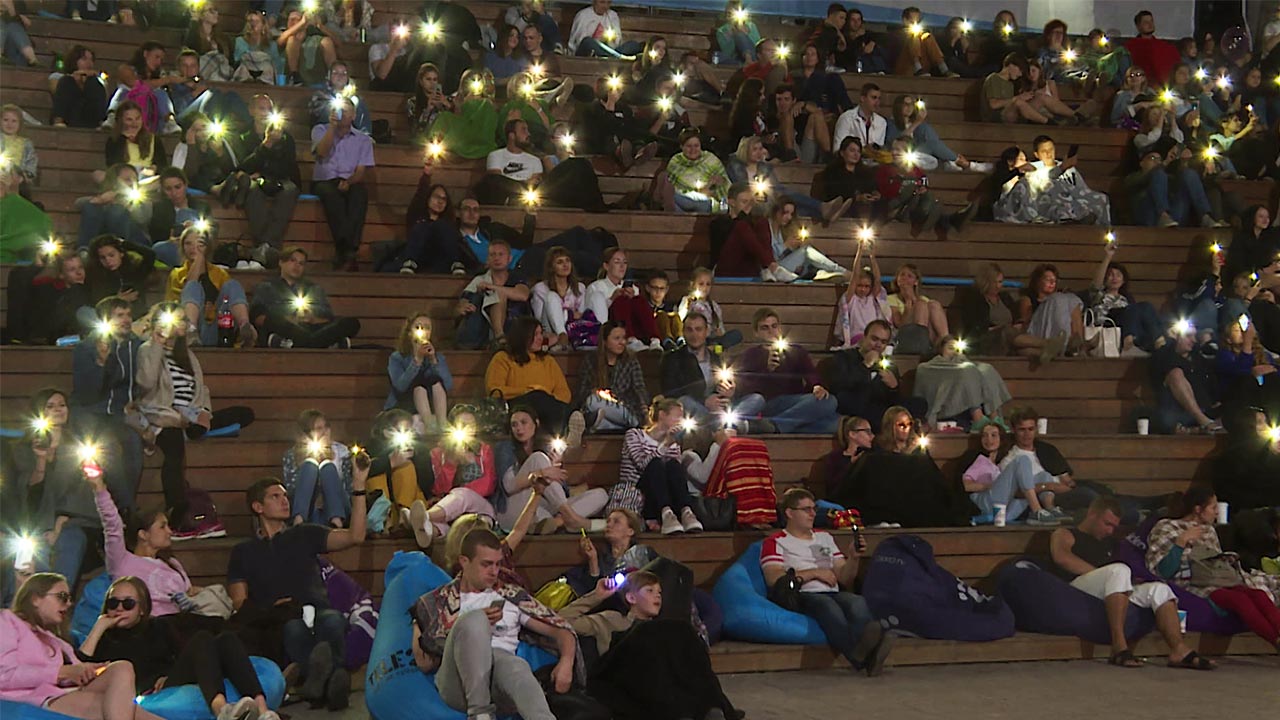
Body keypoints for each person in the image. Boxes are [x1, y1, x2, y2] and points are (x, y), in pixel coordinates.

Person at [227, 472, 369, 711]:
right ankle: (333, 684)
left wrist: (359, 487)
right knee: (293, 630)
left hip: (318, 609)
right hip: (280, 618)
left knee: (333, 621)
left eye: (285, 496)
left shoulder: (304, 533)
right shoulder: (243, 551)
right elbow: (239, 602)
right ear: (257, 506)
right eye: (275, 496)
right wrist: (269, 611)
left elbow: (356, 536)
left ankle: (318, 688)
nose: (285, 501)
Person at [409, 528, 576, 720]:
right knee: (475, 620)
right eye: (486, 564)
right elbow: (423, 663)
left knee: (517, 665)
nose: (494, 572)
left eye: (497, 564)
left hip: (500, 686)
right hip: (457, 685)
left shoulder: (512, 597)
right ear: (464, 562)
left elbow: (561, 630)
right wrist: (473, 624)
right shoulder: (439, 601)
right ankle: (480, 714)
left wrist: (566, 661)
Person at [133, 301, 255, 537]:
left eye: (180, 320)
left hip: (191, 413)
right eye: (171, 320)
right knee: (174, 444)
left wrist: (204, 414)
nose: (176, 325)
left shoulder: (187, 354)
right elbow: (146, 386)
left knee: (244, 413)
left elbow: (202, 390)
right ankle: (178, 514)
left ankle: (197, 428)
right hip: (161, 415)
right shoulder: (147, 349)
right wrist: (158, 343)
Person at [1050, 496, 1215, 669]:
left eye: (1114, 526)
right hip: (1076, 588)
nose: (1110, 531)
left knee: (1160, 589)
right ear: (1092, 514)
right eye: (1107, 524)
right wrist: (1104, 575)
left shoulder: (1111, 543)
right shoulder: (1066, 534)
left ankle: (1178, 650)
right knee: (1119, 570)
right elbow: (1062, 558)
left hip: (1112, 588)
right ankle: (1119, 647)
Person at [78, 577, 278, 720]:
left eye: (128, 603)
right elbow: (80, 668)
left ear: (141, 609)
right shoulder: (104, 637)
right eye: (114, 603)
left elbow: (185, 655)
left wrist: (167, 675)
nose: (119, 609)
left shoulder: (159, 626)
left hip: (167, 680)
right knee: (202, 638)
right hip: (145, 693)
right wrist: (98, 627)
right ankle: (221, 711)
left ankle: (262, 710)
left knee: (225, 639)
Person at [568, 571, 741, 719]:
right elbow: (564, 620)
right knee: (653, 631)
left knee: (681, 632)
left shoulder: (666, 630)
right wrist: (596, 596)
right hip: (621, 677)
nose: (657, 595)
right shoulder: (611, 620)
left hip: (658, 682)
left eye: (659, 591)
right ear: (631, 597)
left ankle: (711, 706)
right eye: (650, 590)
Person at [761, 488, 895, 675]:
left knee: (857, 602)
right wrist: (815, 573)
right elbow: (773, 578)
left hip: (832, 591)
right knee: (827, 606)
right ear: (790, 513)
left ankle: (867, 653)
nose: (813, 513)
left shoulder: (825, 537)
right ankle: (861, 657)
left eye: (813, 508)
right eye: (806, 509)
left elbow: (844, 577)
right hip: (802, 594)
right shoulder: (776, 541)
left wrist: (853, 557)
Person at [0, 572, 168, 720]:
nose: (68, 604)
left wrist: (90, 669)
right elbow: (3, 676)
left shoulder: (54, 639)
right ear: (36, 598)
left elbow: (74, 669)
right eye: (61, 597)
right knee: (124, 710)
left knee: (122, 667)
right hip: (33, 696)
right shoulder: (7, 621)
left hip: (64, 690)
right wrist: (60, 673)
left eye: (69, 598)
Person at [1146, 484, 1280, 651]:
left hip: (1219, 579)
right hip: (1193, 584)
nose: (1217, 512)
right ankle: (1275, 641)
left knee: (1258, 594)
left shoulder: (1209, 531)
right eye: (1213, 507)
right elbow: (1163, 571)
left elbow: (1215, 564)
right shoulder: (1166, 527)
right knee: (1240, 600)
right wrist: (1181, 542)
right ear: (1197, 509)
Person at [1, 387, 100, 588]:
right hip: (32, 522)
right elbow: (27, 494)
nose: (58, 410)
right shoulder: (23, 449)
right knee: (28, 548)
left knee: (71, 541)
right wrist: (41, 460)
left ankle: (58, 599)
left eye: (62, 405)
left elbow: (82, 490)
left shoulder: (79, 447)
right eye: (51, 406)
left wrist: (59, 525)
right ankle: (18, 607)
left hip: (70, 521)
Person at [71, 296, 143, 511]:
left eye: (128, 315)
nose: (126, 320)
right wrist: (101, 363)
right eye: (119, 315)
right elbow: (86, 394)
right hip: (91, 412)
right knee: (110, 452)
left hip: (121, 414)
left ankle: (124, 510)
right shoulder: (86, 348)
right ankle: (127, 514)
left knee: (134, 449)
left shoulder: (138, 346)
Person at [494, 406, 606, 533]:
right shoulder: (505, 448)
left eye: (524, 422)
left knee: (601, 495)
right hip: (514, 510)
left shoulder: (546, 448)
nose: (519, 428)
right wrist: (541, 473)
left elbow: (559, 494)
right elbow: (509, 487)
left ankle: (558, 522)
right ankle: (572, 519)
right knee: (537, 457)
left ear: (536, 423)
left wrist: (554, 467)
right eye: (514, 425)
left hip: (540, 508)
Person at [397, 407, 497, 550]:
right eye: (462, 425)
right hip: (449, 515)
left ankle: (420, 516)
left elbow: (488, 486)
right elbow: (438, 488)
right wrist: (451, 462)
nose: (467, 430)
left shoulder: (484, 451)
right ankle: (428, 529)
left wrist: (458, 492)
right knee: (439, 527)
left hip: (478, 510)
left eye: (471, 425)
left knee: (462, 494)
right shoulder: (439, 453)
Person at [732, 308, 839, 434]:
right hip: (768, 404)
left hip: (795, 403)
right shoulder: (750, 355)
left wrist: (816, 386)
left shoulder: (795, 351)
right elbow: (746, 390)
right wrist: (767, 370)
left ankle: (774, 426)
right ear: (756, 333)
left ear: (780, 328)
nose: (771, 331)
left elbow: (810, 373)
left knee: (830, 404)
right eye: (765, 328)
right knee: (829, 422)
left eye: (774, 326)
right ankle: (782, 425)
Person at [611, 397, 704, 535]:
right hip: (640, 493)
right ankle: (666, 513)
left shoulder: (673, 444)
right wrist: (665, 444)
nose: (680, 420)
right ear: (662, 415)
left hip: (662, 492)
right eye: (677, 416)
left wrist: (671, 444)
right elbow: (642, 464)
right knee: (655, 464)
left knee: (673, 465)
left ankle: (686, 512)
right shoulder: (635, 435)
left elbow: (674, 474)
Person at [484, 316, 584, 439]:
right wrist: (528, 390)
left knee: (556, 399)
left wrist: (549, 400)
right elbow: (494, 390)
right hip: (516, 405)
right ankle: (573, 426)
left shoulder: (548, 361)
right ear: (523, 335)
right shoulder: (503, 358)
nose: (540, 338)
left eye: (541, 333)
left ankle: (574, 423)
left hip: (548, 406)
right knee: (537, 396)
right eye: (535, 334)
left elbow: (564, 392)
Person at [823, 319, 927, 431]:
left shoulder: (889, 365)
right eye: (874, 339)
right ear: (864, 337)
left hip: (881, 407)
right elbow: (839, 386)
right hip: (855, 403)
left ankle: (898, 424)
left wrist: (894, 388)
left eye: (883, 342)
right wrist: (866, 365)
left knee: (920, 404)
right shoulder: (844, 358)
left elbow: (894, 400)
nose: (878, 345)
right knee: (850, 400)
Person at [662, 311, 764, 424]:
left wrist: (730, 393)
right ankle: (726, 424)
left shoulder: (716, 358)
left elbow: (726, 387)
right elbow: (671, 392)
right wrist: (705, 401)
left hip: (720, 408)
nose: (694, 335)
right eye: (689, 330)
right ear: (684, 332)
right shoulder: (672, 358)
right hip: (697, 408)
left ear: (706, 332)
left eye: (698, 329)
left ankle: (722, 423)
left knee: (757, 399)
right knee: (684, 402)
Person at [249, 246, 361, 348]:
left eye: (301, 263)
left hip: (312, 328)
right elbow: (258, 316)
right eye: (292, 260)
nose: (297, 266)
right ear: (281, 262)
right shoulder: (266, 287)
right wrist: (287, 319)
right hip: (285, 329)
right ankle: (328, 343)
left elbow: (328, 316)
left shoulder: (314, 289)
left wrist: (313, 319)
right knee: (273, 321)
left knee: (351, 323)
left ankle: (292, 344)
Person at [164, 227, 256, 348]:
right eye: (188, 243)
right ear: (182, 247)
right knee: (192, 286)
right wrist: (199, 259)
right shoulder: (177, 274)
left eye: (199, 243)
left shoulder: (219, 273)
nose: (193, 248)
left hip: (220, 326)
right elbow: (174, 303)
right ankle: (191, 330)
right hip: (190, 327)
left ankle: (245, 325)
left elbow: (228, 300)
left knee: (232, 284)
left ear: (207, 246)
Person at [311, 97, 373, 271]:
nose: (342, 114)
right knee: (332, 196)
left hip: (350, 179)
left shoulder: (363, 140)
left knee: (360, 195)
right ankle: (349, 250)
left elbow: (361, 171)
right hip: (324, 180)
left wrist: (349, 181)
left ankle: (345, 251)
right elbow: (322, 153)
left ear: (353, 115)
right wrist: (332, 127)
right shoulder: (320, 130)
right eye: (340, 110)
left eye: (346, 111)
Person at [235, 94, 301, 258]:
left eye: (269, 109)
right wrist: (266, 145)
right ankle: (267, 247)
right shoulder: (241, 135)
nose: (266, 112)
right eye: (261, 108)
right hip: (253, 181)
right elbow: (242, 166)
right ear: (251, 111)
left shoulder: (285, 137)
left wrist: (263, 173)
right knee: (252, 190)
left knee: (290, 190)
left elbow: (288, 166)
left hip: (279, 179)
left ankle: (266, 245)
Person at [958, 422, 1059, 526]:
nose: (989, 440)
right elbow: (966, 486)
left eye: (993, 435)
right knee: (1021, 460)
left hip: (1003, 510)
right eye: (984, 436)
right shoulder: (980, 460)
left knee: (1044, 475)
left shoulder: (1001, 462)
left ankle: (1051, 509)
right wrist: (994, 486)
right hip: (985, 503)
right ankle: (1036, 510)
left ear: (1001, 439)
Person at [875, 138, 973, 239]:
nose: (894, 152)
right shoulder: (884, 170)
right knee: (916, 191)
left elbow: (924, 186)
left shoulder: (917, 171)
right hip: (897, 208)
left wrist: (921, 190)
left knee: (933, 202)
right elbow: (885, 192)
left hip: (916, 207)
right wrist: (908, 187)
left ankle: (945, 221)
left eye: (899, 150)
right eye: (893, 149)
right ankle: (951, 220)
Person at [913, 335, 1011, 427]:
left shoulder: (964, 363)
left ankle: (995, 418)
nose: (955, 353)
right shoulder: (929, 366)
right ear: (941, 349)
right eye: (951, 348)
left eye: (958, 350)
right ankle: (978, 418)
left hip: (965, 397)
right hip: (949, 404)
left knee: (987, 369)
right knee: (968, 368)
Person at [1086, 244, 1165, 356]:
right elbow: (1096, 284)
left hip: (1129, 329)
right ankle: (1131, 339)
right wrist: (1108, 256)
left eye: (1118, 275)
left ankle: (1157, 340)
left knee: (1145, 307)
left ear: (1123, 280)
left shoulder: (1126, 299)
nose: (1114, 278)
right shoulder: (1099, 295)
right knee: (1131, 310)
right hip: (1110, 327)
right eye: (1110, 275)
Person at [1002, 407, 1083, 515]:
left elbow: (1066, 480)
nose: (1027, 434)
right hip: (1032, 499)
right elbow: (1014, 492)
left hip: (1059, 493)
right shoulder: (1010, 457)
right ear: (1013, 430)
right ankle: (1049, 510)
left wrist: (1068, 485)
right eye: (1022, 429)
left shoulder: (1047, 450)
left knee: (1089, 495)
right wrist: (1048, 486)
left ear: (1036, 429)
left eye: (1031, 429)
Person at [281, 409, 353, 528]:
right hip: (309, 507)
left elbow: (348, 488)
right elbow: (291, 488)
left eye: (326, 427)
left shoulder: (342, 452)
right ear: (307, 433)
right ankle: (299, 521)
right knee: (310, 465)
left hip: (339, 507)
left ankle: (336, 522)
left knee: (328, 467)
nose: (325, 432)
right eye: (319, 429)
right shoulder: (291, 455)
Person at [712, 183, 797, 282]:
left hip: (749, 269)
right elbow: (721, 248)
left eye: (750, 202)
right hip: (727, 267)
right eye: (744, 202)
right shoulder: (719, 222)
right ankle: (772, 267)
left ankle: (769, 268)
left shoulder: (752, 223)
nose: (749, 205)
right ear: (732, 202)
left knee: (763, 223)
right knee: (741, 226)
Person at [456, 240, 531, 351]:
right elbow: (462, 303)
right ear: (488, 259)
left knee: (497, 294)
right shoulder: (479, 280)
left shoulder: (516, 277)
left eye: (501, 254)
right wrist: (462, 307)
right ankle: (499, 338)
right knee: (494, 295)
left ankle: (499, 340)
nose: (497, 258)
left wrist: (492, 287)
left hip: (513, 330)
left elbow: (523, 295)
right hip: (480, 333)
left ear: (509, 258)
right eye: (492, 255)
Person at [1149, 321, 1222, 434]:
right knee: (1176, 373)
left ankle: (1195, 429)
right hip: (1177, 413)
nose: (1193, 340)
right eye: (1188, 336)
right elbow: (1159, 366)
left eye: (1194, 336)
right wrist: (1170, 341)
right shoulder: (1164, 356)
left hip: (1206, 411)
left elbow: (1212, 385)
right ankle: (1201, 424)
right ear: (1176, 337)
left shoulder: (1199, 359)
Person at [575, 322, 649, 433]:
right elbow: (581, 392)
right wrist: (594, 391)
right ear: (605, 341)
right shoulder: (591, 361)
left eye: (624, 338)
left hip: (626, 408)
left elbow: (639, 388)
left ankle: (631, 423)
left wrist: (644, 410)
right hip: (600, 406)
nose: (622, 342)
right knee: (592, 401)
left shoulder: (630, 360)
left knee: (595, 407)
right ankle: (601, 424)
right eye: (617, 338)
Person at [385, 312, 452, 433]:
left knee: (435, 381)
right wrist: (417, 361)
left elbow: (447, 385)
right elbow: (400, 386)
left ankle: (442, 424)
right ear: (409, 332)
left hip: (432, 402)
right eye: (418, 327)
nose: (422, 331)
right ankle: (429, 425)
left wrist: (433, 360)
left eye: (427, 328)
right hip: (405, 402)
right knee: (419, 385)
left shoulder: (438, 357)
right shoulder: (397, 357)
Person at [885, 94, 985, 173]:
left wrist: (918, 123)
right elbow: (897, 141)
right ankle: (964, 164)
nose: (909, 107)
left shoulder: (920, 126)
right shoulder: (892, 123)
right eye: (905, 104)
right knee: (932, 144)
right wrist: (917, 123)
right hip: (902, 155)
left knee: (930, 138)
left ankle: (950, 161)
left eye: (911, 104)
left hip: (918, 153)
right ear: (898, 106)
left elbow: (933, 139)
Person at [1027, 134, 1111, 225]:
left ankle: (1102, 232)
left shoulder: (1069, 169)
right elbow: (1046, 180)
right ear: (1036, 154)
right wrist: (1063, 167)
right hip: (1052, 203)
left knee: (1102, 198)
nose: (1048, 153)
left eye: (1051, 149)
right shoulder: (1034, 169)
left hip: (1075, 200)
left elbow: (1082, 189)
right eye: (1044, 151)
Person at [1016, 263, 1085, 360]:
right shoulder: (1028, 299)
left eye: (1054, 280)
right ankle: (1065, 344)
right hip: (1038, 332)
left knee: (1073, 299)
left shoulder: (1060, 298)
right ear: (1037, 281)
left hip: (1054, 330)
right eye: (1048, 279)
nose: (1052, 282)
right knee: (1057, 298)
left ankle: (1078, 344)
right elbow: (1026, 322)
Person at [85, 231, 154, 327]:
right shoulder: (97, 277)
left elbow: (150, 255)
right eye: (103, 258)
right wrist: (117, 300)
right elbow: (96, 306)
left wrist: (124, 243)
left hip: (138, 319)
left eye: (111, 255)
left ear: (121, 254)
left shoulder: (135, 271)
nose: (108, 260)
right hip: (111, 324)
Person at [146, 167, 209, 268]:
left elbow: (211, 231)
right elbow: (155, 234)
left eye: (177, 187)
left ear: (185, 185)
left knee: (185, 213)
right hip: (172, 247)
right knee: (158, 248)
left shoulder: (201, 206)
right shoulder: (159, 208)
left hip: (196, 246)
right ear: (163, 190)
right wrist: (170, 237)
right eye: (168, 189)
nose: (174, 193)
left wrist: (195, 231)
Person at [530, 246, 587, 350]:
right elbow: (539, 319)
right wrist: (569, 314)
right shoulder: (540, 288)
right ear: (551, 267)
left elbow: (582, 315)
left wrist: (566, 314)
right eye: (560, 262)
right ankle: (562, 336)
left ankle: (566, 339)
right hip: (549, 329)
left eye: (567, 261)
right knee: (551, 296)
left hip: (574, 328)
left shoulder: (580, 287)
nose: (565, 265)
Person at [475, 119, 542, 207]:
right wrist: (525, 182)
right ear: (512, 136)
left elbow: (535, 182)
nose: (528, 134)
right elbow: (496, 180)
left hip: (527, 198)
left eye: (527, 130)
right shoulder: (495, 155)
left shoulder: (535, 160)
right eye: (523, 130)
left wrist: (515, 184)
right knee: (492, 181)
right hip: (501, 196)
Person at [887, 263, 949, 354]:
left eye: (909, 276)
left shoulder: (924, 300)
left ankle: (946, 343)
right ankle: (922, 345)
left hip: (930, 337)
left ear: (916, 281)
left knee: (933, 304)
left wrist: (914, 299)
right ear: (897, 279)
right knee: (920, 305)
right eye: (902, 275)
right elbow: (899, 324)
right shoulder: (891, 299)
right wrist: (908, 303)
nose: (905, 278)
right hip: (906, 336)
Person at [837, 242, 890, 348]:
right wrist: (859, 252)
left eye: (867, 286)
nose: (863, 289)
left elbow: (877, 279)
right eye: (859, 286)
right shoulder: (851, 299)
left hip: (874, 337)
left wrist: (872, 257)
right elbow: (855, 276)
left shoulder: (872, 299)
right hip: (857, 338)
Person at [665, 128, 729, 214]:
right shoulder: (676, 161)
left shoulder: (711, 160)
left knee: (675, 199)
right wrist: (695, 193)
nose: (693, 150)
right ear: (681, 146)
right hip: (683, 198)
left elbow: (724, 187)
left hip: (707, 202)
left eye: (696, 146)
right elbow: (673, 187)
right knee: (675, 202)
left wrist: (715, 184)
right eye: (689, 146)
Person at [676, 267, 742, 349]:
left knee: (736, 334)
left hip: (711, 339)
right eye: (701, 284)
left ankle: (713, 347)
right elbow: (680, 319)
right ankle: (709, 348)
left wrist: (720, 332)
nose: (705, 287)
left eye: (708, 284)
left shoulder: (714, 306)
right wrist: (687, 307)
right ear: (693, 284)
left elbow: (720, 326)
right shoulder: (688, 301)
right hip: (694, 337)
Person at [51, 44, 109, 128]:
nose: (89, 63)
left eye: (91, 60)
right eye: (84, 59)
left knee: (93, 83)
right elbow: (60, 103)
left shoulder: (95, 82)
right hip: (69, 123)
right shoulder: (65, 81)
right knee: (67, 81)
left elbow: (102, 105)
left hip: (92, 124)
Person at [279, 6, 338, 87]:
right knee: (292, 40)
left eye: (297, 20)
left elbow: (339, 43)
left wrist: (320, 26)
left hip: (318, 82)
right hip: (291, 84)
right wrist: (302, 22)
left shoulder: (316, 39)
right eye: (291, 19)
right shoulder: (285, 36)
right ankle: (295, 77)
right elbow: (280, 40)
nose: (294, 22)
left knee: (327, 42)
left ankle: (334, 78)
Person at [887, 6, 952, 77]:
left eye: (918, 22)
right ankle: (918, 68)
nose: (915, 24)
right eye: (912, 22)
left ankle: (944, 69)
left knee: (927, 36)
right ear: (905, 20)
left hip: (924, 67)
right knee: (913, 36)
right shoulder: (896, 34)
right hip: (903, 67)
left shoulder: (922, 35)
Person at [982, 54, 1048, 124]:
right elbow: (994, 105)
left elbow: (1010, 103)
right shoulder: (994, 79)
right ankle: (1047, 122)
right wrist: (1018, 98)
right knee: (1018, 102)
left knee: (1041, 98)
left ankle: (1057, 120)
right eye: (1020, 70)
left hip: (1010, 115)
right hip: (994, 119)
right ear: (1011, 65)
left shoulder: (1010, 84)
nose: (1020, 74)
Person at [306, 63, 371, 134]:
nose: (340, 76)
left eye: (344, 73)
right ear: (329, 76)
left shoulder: (355, 99)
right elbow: (317, 117)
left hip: (350, 136)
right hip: (325, 134)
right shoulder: (320, 95)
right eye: (335, 73)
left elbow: (361, 121)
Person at [569, 0, 641, 59]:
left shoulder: (613, 15)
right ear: (594, 2)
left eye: (608, 3)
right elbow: (580, 41)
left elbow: (618, 40)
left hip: (610, 50)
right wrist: (598, 40)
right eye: (602, 2)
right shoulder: (583, 15)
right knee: (588, 41)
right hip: (587, 52)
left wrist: (612, 39)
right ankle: (616, 57)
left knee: (633, 44)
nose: (605, 6)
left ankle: (611, 57)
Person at [1126, 10, 1181, 86]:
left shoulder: (1164, 46)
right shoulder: (1131, 45)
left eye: (1151, 21)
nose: (1150, 24)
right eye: (1146, 22)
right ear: (1138, 26)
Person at [833, 83, 887, 155]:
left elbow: (879, 149)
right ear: (863, 98)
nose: (877, 102)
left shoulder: (881, 122)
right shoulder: (846, 118)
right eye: (874, 98)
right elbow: (838, 148)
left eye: (879, 98)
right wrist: (864, 150)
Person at [406, 62, 454, 139]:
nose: (432, 83)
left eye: (435, 79)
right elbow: (415, 127)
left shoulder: (447, 100)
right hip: (423, 139)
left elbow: (456, 122)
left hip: (444, 138)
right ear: (421, 81)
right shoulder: (412, 102)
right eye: (428, 79)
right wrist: (428, 109)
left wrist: (448, 105)